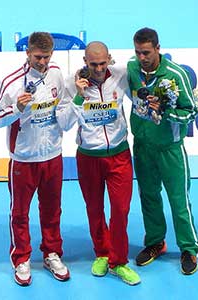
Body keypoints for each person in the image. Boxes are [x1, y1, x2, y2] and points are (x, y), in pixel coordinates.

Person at [56, 41, 141, 285]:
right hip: (88, 157)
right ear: (85, 62)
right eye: (93, 64)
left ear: (110, 59)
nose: (99, 68)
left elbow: (143, 70)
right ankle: (102, 253)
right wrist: (80, 98)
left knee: (121, 210)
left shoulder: (121, 75)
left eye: (103, 63)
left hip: (119, 154)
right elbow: (63, 123)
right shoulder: (72, 85)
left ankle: (119, 261)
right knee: (95, 209)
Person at [0, 32, 70, 286]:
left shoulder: (57, 73)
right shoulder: (11, 82)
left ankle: (52, 253)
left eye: (47, 57)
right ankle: (22, 258)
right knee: (20, 213)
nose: (43, 62)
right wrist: (17, 109)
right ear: (27, 52)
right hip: (23, 159)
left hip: (53, 156)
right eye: (38, 57)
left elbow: (64, 105)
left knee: (52, 210)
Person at [127, 27, 198, 275]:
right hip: (142, 147)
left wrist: (166, 112)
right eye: (138, 52)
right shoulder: (132, 69)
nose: (142, 57)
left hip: (170, 149)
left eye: (146, 52)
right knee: (148, 197)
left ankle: (189, 248)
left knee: (178, 200)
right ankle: (155, 242)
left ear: (158, 48)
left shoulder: (175, 74)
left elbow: (191, 111)